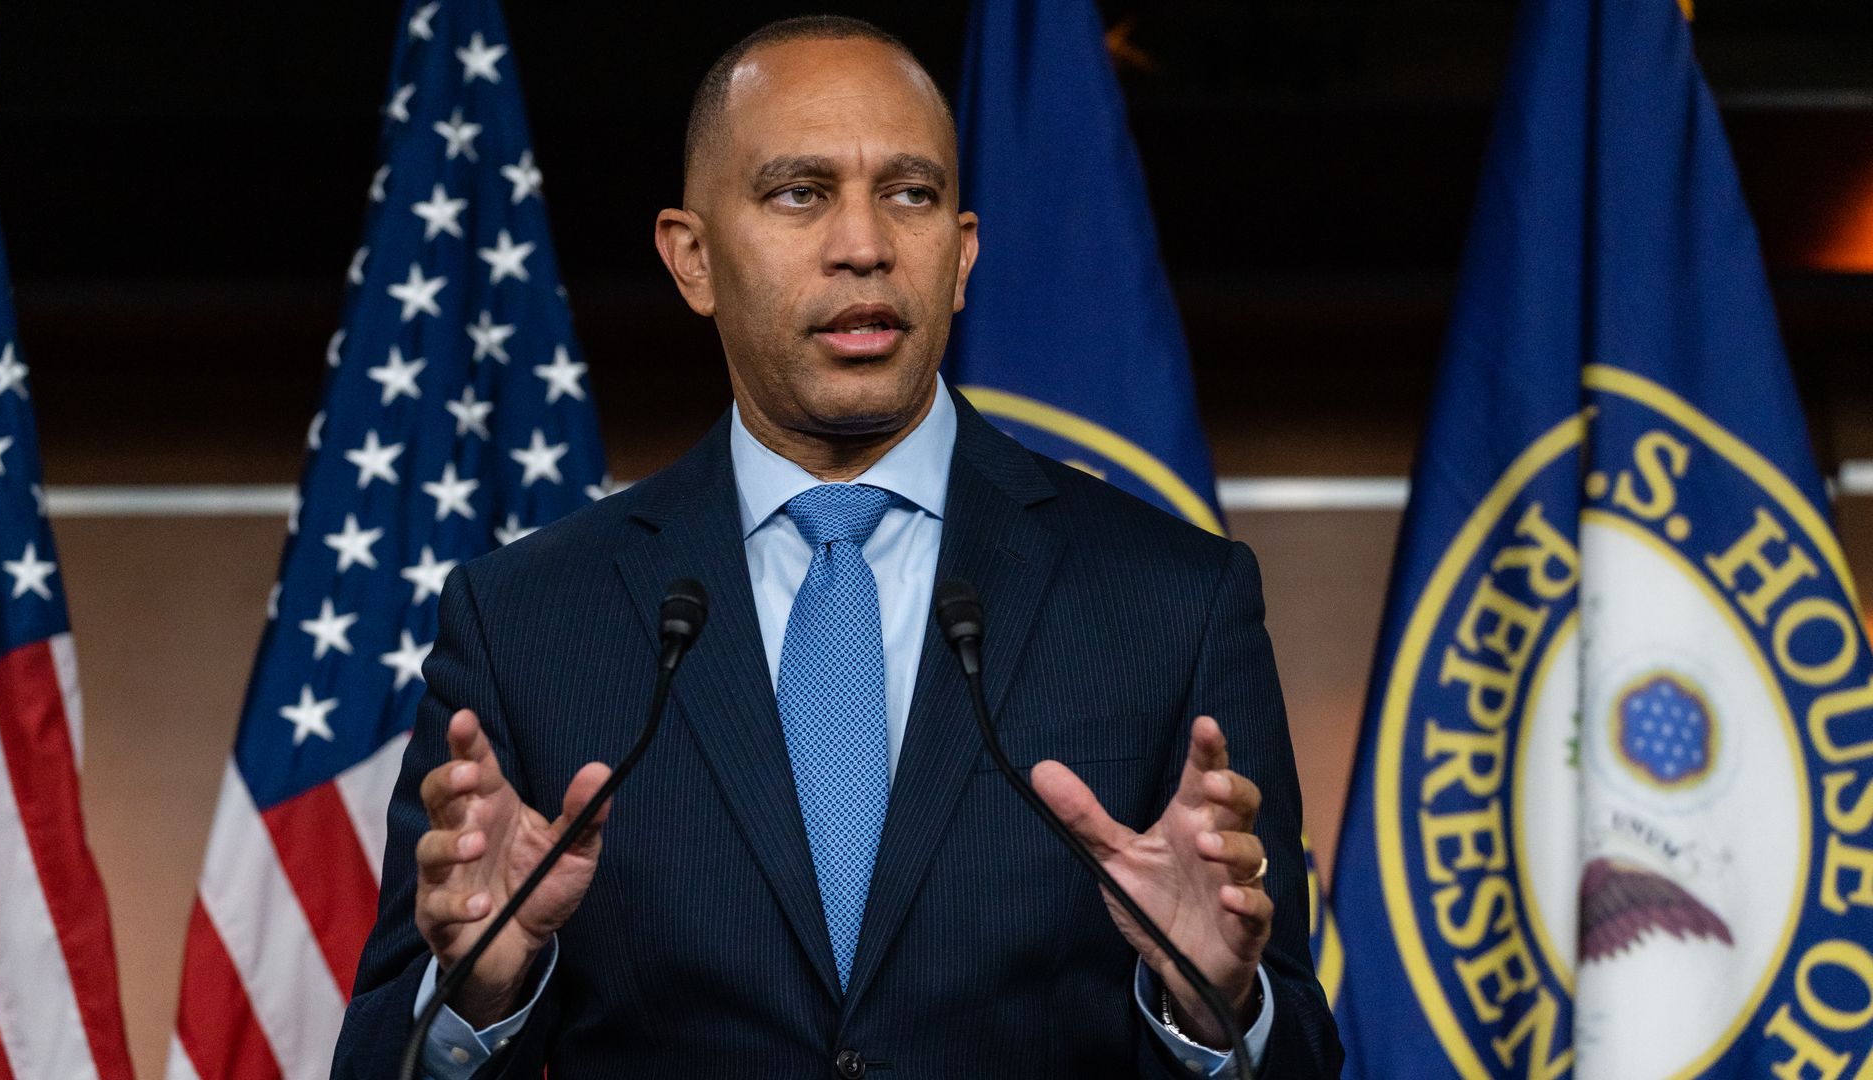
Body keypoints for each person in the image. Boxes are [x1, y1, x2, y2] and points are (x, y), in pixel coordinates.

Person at [333, 15, 1341, 1079]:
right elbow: (381, 1062)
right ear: (691, 258)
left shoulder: (1174, 603)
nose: (863, 244)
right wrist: (486, 987)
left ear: (961, 256)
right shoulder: (529, 620)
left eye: (909, 194)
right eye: (799, 193)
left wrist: (1213, 1007)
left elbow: (1301, 1052)